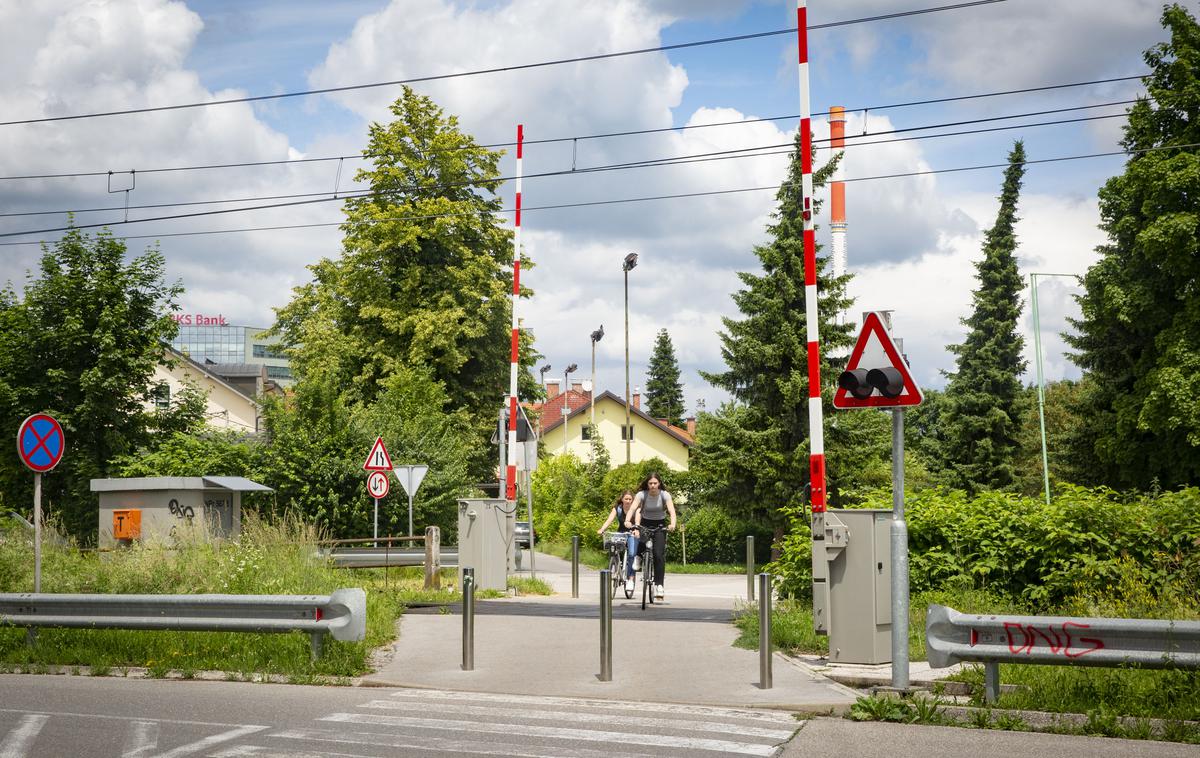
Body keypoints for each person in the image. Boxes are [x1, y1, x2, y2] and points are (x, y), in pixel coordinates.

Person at [627, 472, 676, 600]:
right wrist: (628, 520)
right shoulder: (641, 494)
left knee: (658, 555)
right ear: (647, 484)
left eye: (655, 483)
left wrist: (672, 524)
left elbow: (671, 510)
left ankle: (659, 585)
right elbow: (632, 509)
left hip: (660, 524)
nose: (653, 486)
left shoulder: (665, 495)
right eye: (650, 483)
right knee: (642, 541)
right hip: (645, 523)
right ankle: (638, 557)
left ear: (659, 483)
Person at [597, 490, 638, 590]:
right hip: (621, 533)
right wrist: (602, 529)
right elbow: (609, 519)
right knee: (612, 547)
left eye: (630, 499)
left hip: (632, 533)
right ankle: (615, 565)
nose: (628, 501)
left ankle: (630, 579)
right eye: (626, 499)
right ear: (622, 499)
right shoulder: (618, 508)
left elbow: (638, 521)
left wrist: (636, 530)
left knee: (632, 554)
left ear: (632, 500)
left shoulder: (636, 509)